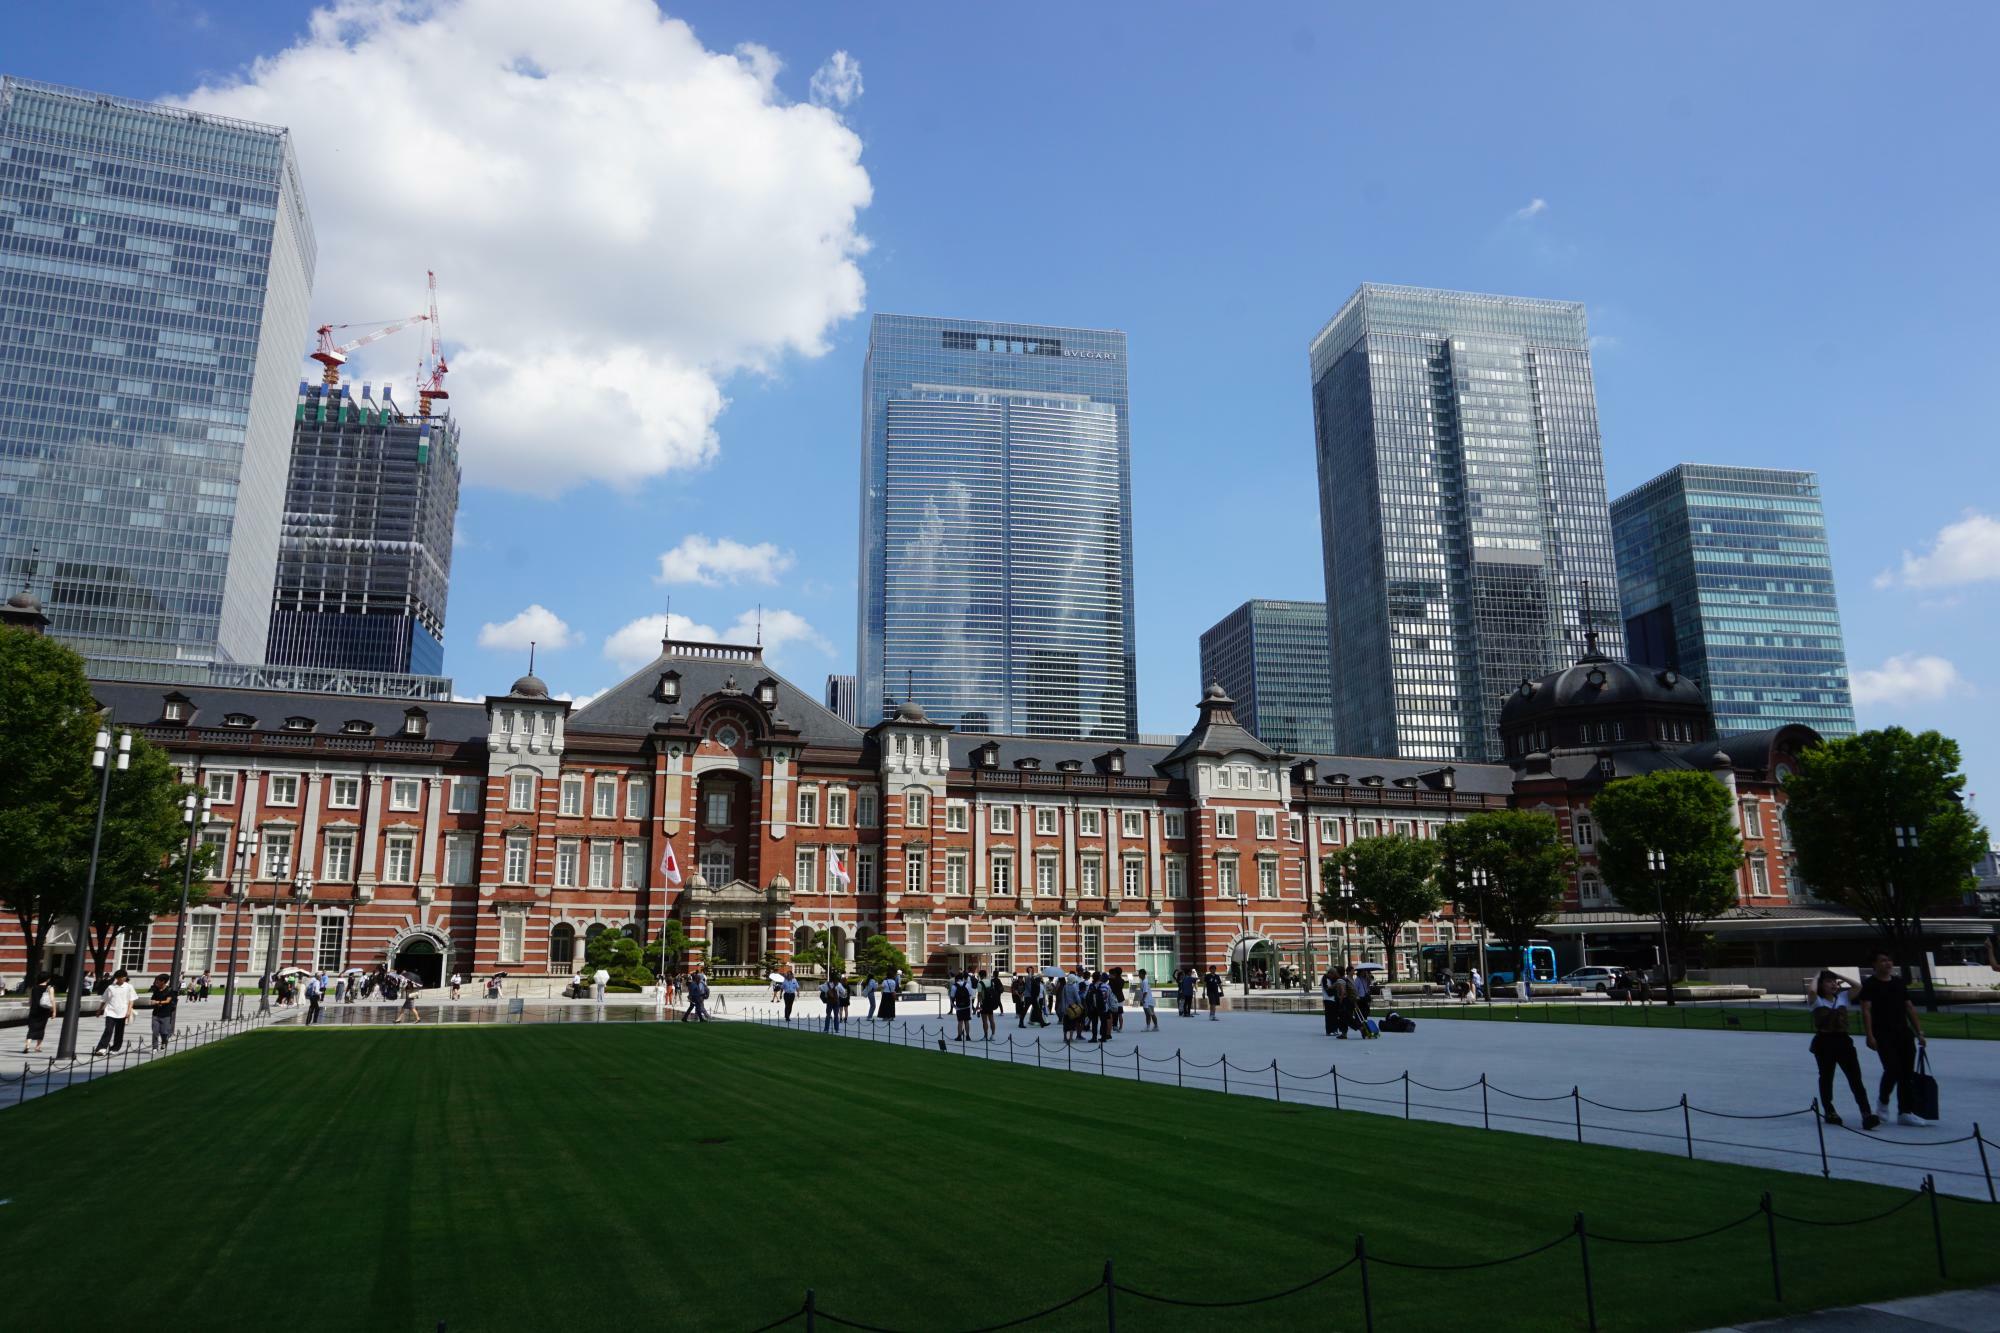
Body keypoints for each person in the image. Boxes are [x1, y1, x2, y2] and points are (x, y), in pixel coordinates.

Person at [1858, 951, 1931, 1125]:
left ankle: (1905, 1111)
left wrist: (1919, 1032)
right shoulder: (1870, 985)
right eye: (1883, 960)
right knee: (1892, 1069)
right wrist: (1869, 1035)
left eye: (1889, 960)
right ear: (1874, 964)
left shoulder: (1898, 983)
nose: (1888, 963)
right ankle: (1883, 1101)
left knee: (1906, 1073)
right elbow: (1866, 1011)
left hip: (1903, 1033)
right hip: (1883, 1034)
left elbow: (1909, 1007)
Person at [1809, 970, 1880, 1130]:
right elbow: (1812, 990)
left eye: (1835, 982)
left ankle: (1866, 1113)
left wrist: (1838, 976)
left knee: (1855, 1078)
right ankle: (1829, 1110)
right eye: (1829, 982)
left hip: (1843, 1041)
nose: (1833, 984)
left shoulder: (1842, 998)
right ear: (1821, 984)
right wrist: (1818, 975)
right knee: (1826, 1077)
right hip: (1824, 1042)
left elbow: (1858, 986)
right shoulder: (1816, 1000)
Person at [94, 969, 138, 1054]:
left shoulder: (129, 987)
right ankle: (102, 1048)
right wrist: (99, 1010)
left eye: (125, 976)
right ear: (117, 978)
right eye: (121, 977)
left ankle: (115, 1048)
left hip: (122, 1012)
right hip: (110, 1011)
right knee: (108, 1029)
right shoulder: (111, 987)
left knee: (119, 1031)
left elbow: (131, 1000)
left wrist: (128, 1011)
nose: (123, 978)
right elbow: (104, 999)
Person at [23, 972, 55, 1053]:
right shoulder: (49, 988)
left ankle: (27, 1045)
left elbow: (30, 1000)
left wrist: (31, 1008)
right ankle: (38, 1047)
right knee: (41, 1028)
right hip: (44, 1010)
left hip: (34, 1010)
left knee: (31, 1028)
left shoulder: (33, 987)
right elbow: (52, 1000)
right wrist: (54, 1011)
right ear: (48, 979)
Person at [148, 973, 178, 1049]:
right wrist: (152, 1002)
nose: (156, 983)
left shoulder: (169, 990)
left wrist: (158, 1002)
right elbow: (152, 999)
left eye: (158, 981)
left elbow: (168, 1001)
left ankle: (164, 1041)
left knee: (164, 1032)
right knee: (155, 1032)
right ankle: (155, 1048)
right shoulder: (156, 990)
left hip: (165, 1014)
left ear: (163, 981)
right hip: (156, 1014)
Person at [950, 971, 974, 1042]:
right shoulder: (967, 985)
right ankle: (968, 1036)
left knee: (960, 1022)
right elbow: (971, 994)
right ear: (962, 979)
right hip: (967, 1006)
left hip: (959, 1007)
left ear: (956, 979)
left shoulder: (954, 986)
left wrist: (953, 1005)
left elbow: (952, 997)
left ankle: (959, 1036)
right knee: (967, 1021)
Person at [978, 968, 1001, 1041]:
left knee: (984, 1020)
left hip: (984, 1003)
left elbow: (979, 995)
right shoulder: (991, 982)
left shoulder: (980, 983)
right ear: (986, 975)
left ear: (980, 976)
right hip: (991, 1002)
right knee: (991, 1019)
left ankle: (985, 1036)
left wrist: (978, 1005)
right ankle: (993, 1035)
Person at [1320, 968, 1341, 1035]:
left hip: (1334, 1000)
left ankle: (1335, 1029)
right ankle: (1329, 1031)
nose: (1333, 976)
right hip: (1328, 1000)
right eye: (1333, 974)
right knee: (1329, 1016)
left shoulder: (1333, 980)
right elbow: (1328, 992)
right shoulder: (1324, 979)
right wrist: (1334, 988)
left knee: (1335, 1016)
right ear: (1329, 973)